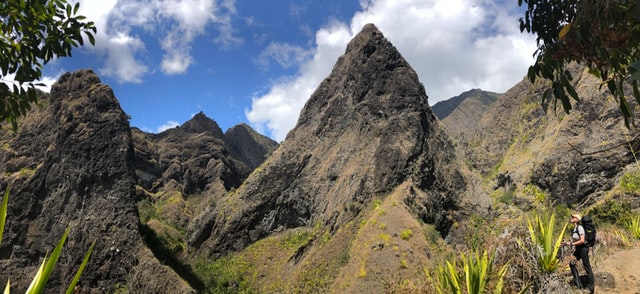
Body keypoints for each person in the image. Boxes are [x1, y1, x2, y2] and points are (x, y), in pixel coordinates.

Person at [563, 213, 594, 293]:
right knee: (572, 263)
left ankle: (591, 288)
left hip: (583, 249)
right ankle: (578, 285)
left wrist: (572, 244)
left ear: (576, 219)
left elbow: (582, 240)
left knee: (587, 266)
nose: (571, 218)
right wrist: (566, 243)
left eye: (573, 217)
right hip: (578, 249)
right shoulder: (574, 229)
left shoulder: (580, 227)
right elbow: (574, 240)